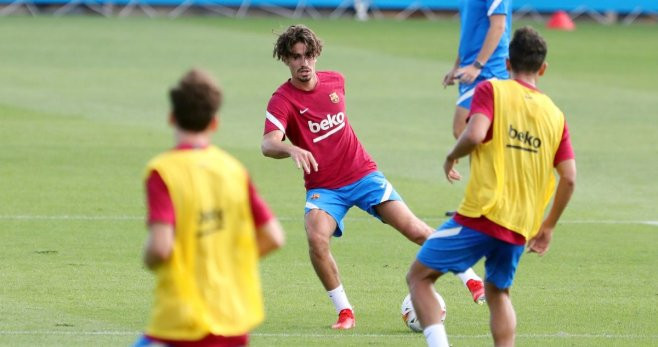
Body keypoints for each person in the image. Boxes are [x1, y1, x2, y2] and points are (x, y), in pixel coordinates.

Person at [261, 24, 484, 330]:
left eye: (308, 55)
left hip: (363, 175)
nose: (304, 63)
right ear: (286, 59)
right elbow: (268, 143)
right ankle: (345, 312)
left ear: (316, 55)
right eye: (296, 57)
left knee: (414, 229)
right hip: (325, 189)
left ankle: (471, 280)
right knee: (315, 237)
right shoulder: (282, 99)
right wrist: (290, 149)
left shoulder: (336, 81)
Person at [407, 26, 577, 347]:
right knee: (498, 291)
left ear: (508, 64)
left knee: (419, 277)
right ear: (543, 69)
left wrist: (451, 156)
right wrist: (549, 227)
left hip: (483, 213)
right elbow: (569, 176)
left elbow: (473, 134)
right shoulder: (555, 115)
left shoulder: (492, 90)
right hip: (521, 223)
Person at [134, 69, 285, 347]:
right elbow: (274, 237)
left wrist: (147, 258)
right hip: (233, 318)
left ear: (171, 117)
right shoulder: (234, 170)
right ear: (214, 123)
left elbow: (160, 247)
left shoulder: (163, 171)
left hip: (181, 321)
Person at [443, 0, 512, 140]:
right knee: (468, 134)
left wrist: (478, 65)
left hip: (490, 70)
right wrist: (457, 66)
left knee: (464, 130)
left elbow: (498, 26)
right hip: (472, 68)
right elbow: (469, 32)